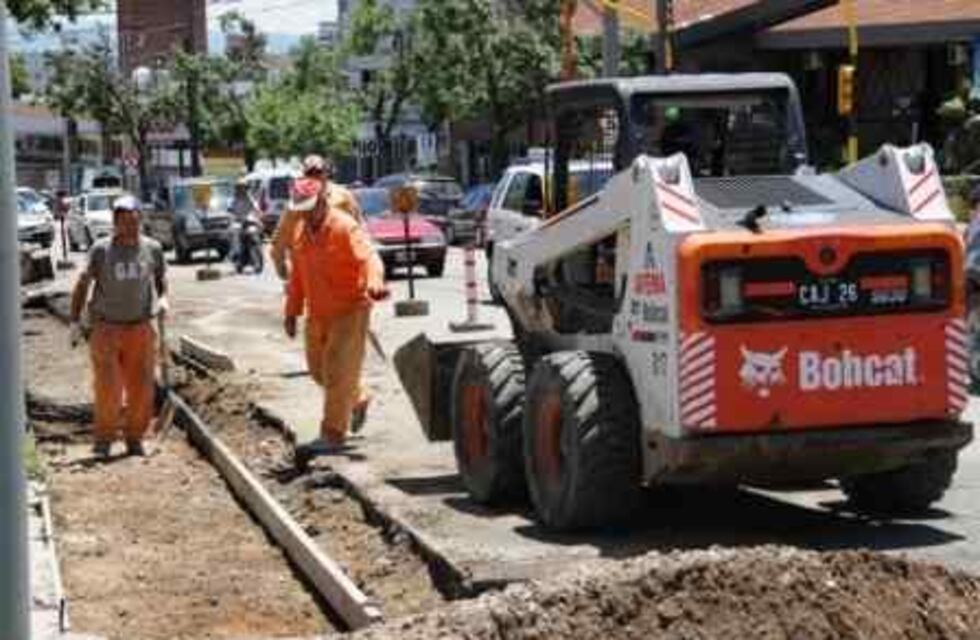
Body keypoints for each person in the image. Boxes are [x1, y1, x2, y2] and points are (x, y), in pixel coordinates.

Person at [283, 176, 388, 463]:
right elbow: (297, 278)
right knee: (320, 371)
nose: (304, 213)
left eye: (308, 207)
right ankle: (358, 397)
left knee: (338, 369)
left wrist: (375, 281)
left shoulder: (343, 226)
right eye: (299, 209)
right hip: (318, 314)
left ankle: (332, 433)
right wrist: (291, 311)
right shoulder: (301, 233)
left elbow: (369, 258)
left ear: (321, 201)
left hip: (350, 310)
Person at [69, 195, 168, 458]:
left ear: (141, 221)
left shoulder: (152, 248)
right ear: (115, 223)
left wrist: (163, 298)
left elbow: (160, 277)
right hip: (107, 328)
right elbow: (82, 283)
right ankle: (104, 440)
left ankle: (135, 439)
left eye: (135, 222)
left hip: (140, 328)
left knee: (141, 386)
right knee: (108, 387)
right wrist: (74, 321)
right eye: (124, 222)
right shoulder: (101, 250)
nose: (131, 228)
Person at [271, 154, 362, 280]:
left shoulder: (343, 196)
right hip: (308, 266)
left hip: (339, 263)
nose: (315, 176)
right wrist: (280, 265)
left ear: (326, 173)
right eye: (310, 173)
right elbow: (282, 233)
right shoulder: (298, 200)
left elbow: (359, 228)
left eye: (318, 172)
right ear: (304, 175)